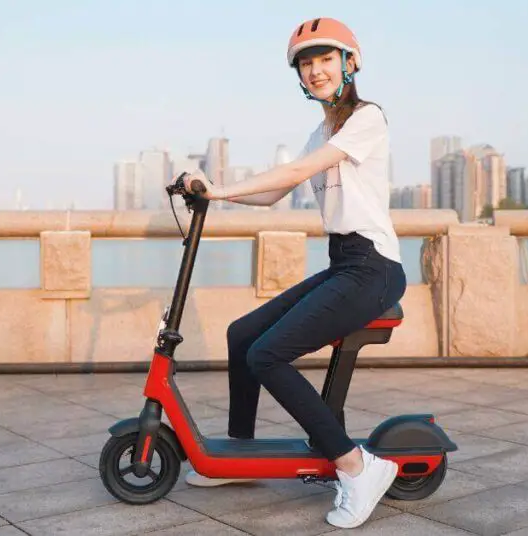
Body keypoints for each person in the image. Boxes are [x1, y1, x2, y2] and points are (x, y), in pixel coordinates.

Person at [179, 17, 407, 530]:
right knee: (243, 335)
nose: (316, 70)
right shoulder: (320, 131)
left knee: (267, 354)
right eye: (307, 63)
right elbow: (273, 192)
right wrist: (212, 190)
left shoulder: (367, 119)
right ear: (299, 77)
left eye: (326, 59)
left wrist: (219, 192)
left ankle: (357, 467)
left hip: (374, 267)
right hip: (345, 262)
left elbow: (294, 173)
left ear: (351, 64)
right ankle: (236, 457)